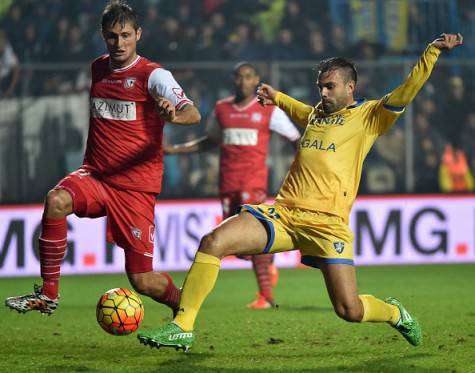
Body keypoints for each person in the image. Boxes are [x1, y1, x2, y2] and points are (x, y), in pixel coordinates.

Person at [136, 33, 463, 352]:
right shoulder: (317, 115)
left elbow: (408, 90)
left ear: (351, 87)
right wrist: (276, 96)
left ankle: (394, 313)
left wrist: (431, 52)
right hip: (285, 214)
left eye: (329, 86)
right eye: (320, 86)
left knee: (349, 310)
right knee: (213, 241)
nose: (322, 91)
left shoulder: (370, 116)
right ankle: (183, 326)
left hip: (327, 224)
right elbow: (300, 110)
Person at [5, 1, 201, 317]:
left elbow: (193, 113)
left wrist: (173, 117)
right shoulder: (98, 68)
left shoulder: (154, 75)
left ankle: (185, 307)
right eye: (112, 36)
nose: (119, 43)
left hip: (135, 188)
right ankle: (49, 294)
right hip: (96, 175)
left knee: (143, 280)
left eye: (125, 35)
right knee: (56, 201)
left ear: (138, 34)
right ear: (103, 36)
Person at [164, 62, 300, 309]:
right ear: (233, 79)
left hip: (254, 183)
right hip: (227, 183)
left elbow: (295, 139)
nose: (244, 81)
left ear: (257, 79)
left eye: (249, 77)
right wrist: (175, 150)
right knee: (238, 248)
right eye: (239, 77)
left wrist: (303, 170)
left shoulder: (268, 110)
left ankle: (266, 296)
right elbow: (211, 141)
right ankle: (267, 266)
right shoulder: (222, 109)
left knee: (254, 236)